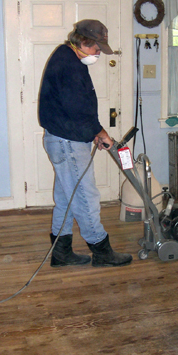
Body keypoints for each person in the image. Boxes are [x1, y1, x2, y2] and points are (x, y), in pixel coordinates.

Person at [38, 19, 132, 268]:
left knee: (66, 197)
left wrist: (94, 132)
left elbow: (75, 107)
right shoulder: (69, 65)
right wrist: (99, 131)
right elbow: (78, 108)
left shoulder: (66, 56)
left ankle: (61, 253)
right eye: (97, 47)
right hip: (67, 142)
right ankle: (101, 250)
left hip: (63, 137)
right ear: (83, 42)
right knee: (85, 196)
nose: (99, 52)